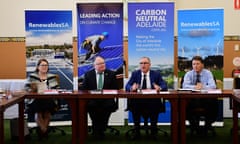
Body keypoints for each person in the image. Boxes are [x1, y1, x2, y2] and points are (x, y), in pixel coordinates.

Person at [125, 56, 168, 139]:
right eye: (141, 63)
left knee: (154, 104)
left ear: (150, 65)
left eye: (145, 63)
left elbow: (164, 85)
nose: (143, 65)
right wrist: (131, 88)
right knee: (134, 104)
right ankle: (136, 132)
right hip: (138, 101)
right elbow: (127, 85)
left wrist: (159, 88)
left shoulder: (156, 74)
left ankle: (153, 132)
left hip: (152, 101)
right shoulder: (135, 73)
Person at [80, 56, 118, 139]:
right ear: (94, 66)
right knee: (92, 106)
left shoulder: (111, 74)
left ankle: (101, 128)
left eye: (103, 63)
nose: (103, 65)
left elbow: (115, 89)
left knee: (108, 106)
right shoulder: (88, 74)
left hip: (107, 99)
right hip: (93, 100)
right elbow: (83, 89)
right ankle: (96, 129)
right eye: (100, 64)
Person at [182, 55, 217, 135]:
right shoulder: (188, 74)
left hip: (205, 100)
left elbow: (213, 86)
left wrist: (202, 87)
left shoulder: (208, 73)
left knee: (213, 103)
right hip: (192, 100)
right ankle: (194, 127)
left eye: (197, 64)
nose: (195, 66)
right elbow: (184, 86)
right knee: (185, 105)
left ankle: (206, 127)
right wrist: (195, 87)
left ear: (202, 65)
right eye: (193, 64)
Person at [25, 58, 59, 139]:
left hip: (49, 99)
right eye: (42, 65)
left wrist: (52, 90)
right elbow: (26, 89)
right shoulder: (32, 76)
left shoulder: (52, 77)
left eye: (46, 65)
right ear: (38, 67)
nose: (44, 67)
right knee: (38, 112)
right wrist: (33, 89)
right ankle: (44, 130)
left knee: (47, 112)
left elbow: (57, 89)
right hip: (35, 100)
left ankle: (42, 131)